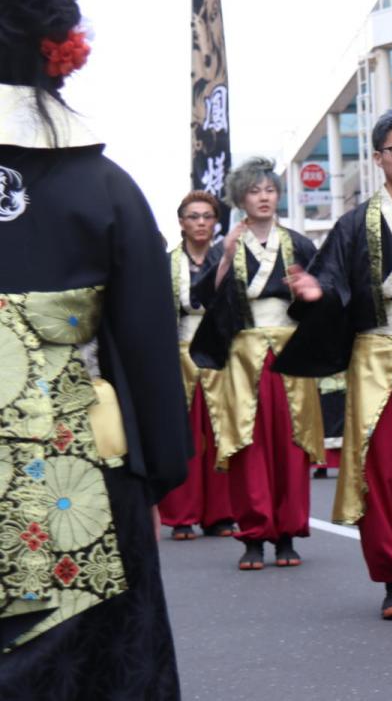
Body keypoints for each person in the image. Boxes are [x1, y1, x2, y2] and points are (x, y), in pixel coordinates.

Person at [0, 0, 189, 696]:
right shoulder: (106, 186)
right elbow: (146, 345)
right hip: (76, 467)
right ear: (55, 49)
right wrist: (159, 466)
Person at [276, 106, 392, 620]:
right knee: (380, 470)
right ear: (379, 157)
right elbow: (332, 279)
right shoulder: (353, 224)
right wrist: (317, 293)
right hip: (374, 356)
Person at [190, 158, 324, 572]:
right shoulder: (226, 246)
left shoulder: (298, 243)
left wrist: (310, 293)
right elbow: (203, 298)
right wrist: (226, 259)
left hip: (290, 352)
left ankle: (286, 534)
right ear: (240, 199)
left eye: (269, 190)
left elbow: (322, 294)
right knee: (248, 445)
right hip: (244, 354)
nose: (264, 197)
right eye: (254, 191)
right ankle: (252, 535)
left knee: (291, 442)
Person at [157, 190, 236, 540]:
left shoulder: (229, 259)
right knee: (184, 435)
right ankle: (181, 515)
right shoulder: (166, 264)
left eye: (207, 216)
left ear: (216, 222)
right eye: (193, 217)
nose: (201, 223)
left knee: (222, 432)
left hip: (221, 355)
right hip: (180, 355)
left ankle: (221, 514)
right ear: (181, 222)